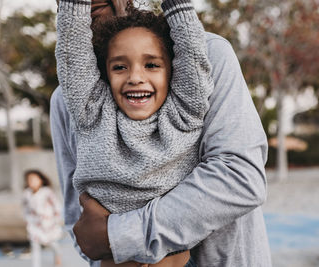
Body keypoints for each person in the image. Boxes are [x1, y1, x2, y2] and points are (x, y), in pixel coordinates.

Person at [50, 0, 272, 267]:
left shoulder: (206, 58)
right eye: (120, 67)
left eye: (151, 65)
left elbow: (239, 177)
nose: (135, 77)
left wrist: (118, 235)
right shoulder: (70, 102)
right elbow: (82, 225)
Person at [22, 170, 63, 267]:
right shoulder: (26, 194)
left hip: (49, 223)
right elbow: (25, 208)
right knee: (35, 245)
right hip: (35, 224)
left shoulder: (47, 192)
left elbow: (56, 205)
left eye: (35, 180)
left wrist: (57, 218)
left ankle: (58, 255)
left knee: (52, 243)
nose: (33, 182)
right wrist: (27, 219)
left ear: (41, 180)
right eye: (30, 180)